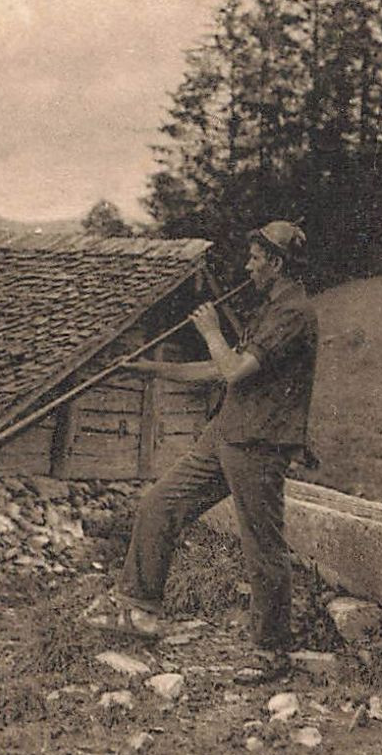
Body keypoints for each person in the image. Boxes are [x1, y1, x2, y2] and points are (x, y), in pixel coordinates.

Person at [82, 220, 317, 685]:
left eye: (254, 259)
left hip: (260, 444)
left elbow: (231, 370)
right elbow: (216, 370)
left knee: (262, 548)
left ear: (275, 262)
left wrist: (210, 328)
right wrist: (150, 370)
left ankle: (271, 653)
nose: (248, 267)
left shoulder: (294, 313)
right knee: (159, 503)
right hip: (227, 432)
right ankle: (138, 609)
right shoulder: (270, 309)